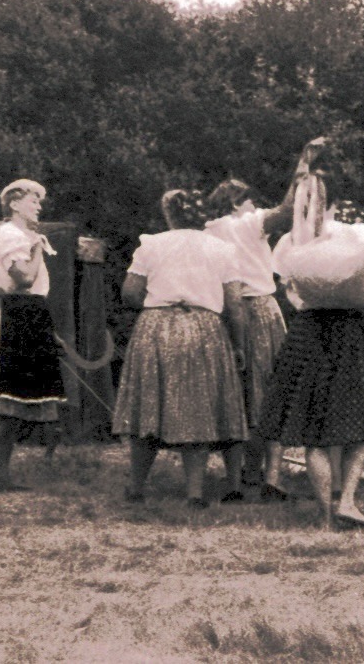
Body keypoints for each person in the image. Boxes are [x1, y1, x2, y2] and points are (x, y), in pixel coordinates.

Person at [257, 192, 364, 529]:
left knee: (314, 426)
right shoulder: (360, 236)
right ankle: (346, 500)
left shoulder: (293, 241)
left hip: (309, 329)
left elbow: (286, 286)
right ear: (335, 206)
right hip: (353, 327)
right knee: (357, 421)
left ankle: (325, 515)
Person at [202, 137, 327, 500]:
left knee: (235, 396)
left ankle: (240, 475)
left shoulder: (208, 228)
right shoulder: (247, 222)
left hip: (220, 312)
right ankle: (270, 477)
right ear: (239, 203)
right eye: (251, 200)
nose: (256, 205)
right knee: (271, 393)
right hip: (258, 307)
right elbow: (288, 210)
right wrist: (302, 167)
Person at [112, 189, 250, 508]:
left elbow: (130, 293)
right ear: (203, 216)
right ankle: (195, 494)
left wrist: (157, 305)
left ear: (169, 214)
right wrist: (238, 345)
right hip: (204, 328)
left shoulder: (152, 243)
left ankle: (136, 488)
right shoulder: (223, 249)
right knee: (197, 408)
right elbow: (235, 304)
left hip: (155, 327)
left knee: (149, 406)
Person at [0, 179, 68, 496]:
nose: (39, 204)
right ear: (13, 204)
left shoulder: (20, 236)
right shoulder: (10, 235)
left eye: (40, 200)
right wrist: (37, 246)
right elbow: (24, 278)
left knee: (18, 403)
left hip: (27, 316)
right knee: (7, 404)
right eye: (32, 199)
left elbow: (34, 291)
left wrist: (47, 333)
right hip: (12, 316)